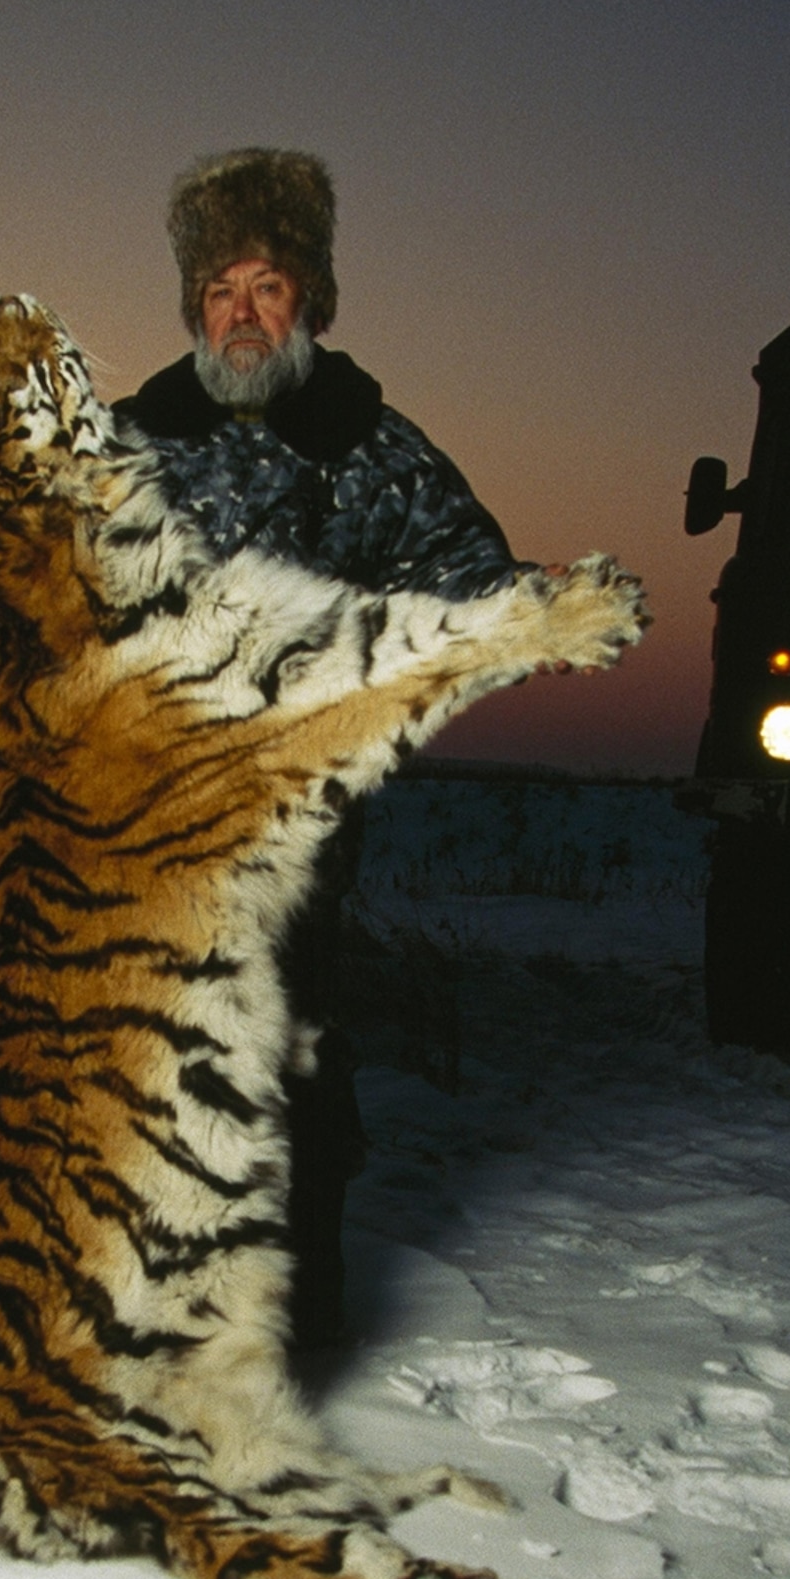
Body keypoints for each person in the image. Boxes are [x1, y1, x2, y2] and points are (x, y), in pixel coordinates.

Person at [113, 147, 534, 1348]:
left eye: (269, 287)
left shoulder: (363, 438)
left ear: (310, 299)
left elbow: (477, 591)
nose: (244, 315)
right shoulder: (131, 436)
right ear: (196, 306)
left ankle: (283, 1342)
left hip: (292, 824)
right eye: (221, 292)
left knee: (283, 1069)